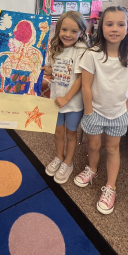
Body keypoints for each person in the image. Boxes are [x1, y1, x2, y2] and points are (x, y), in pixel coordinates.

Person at [75, 6, 128, 215]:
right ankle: (92, 170)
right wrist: (89, 111)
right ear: (101, 28)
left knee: (113, 149)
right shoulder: (92, 54)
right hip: (95, 112)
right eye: (109, 24)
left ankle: (111, 187)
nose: (115, 29)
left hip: (119, 113)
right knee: (93, 146)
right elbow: (86, 86)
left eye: (121, 24)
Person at [43, 11, 87, 184]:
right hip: (56, 99)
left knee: (71, 134)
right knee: (58, 132)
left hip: (73, 103)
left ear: (81, 33)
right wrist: (50, 72)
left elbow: (81, 78)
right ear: (58, 29)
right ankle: (59, 157)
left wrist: (67, 98)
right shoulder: (55, 48)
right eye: (64, 30)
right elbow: (58, 73)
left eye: (73, 31)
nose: (68, 35)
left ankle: (68, 162)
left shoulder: (81, 51)